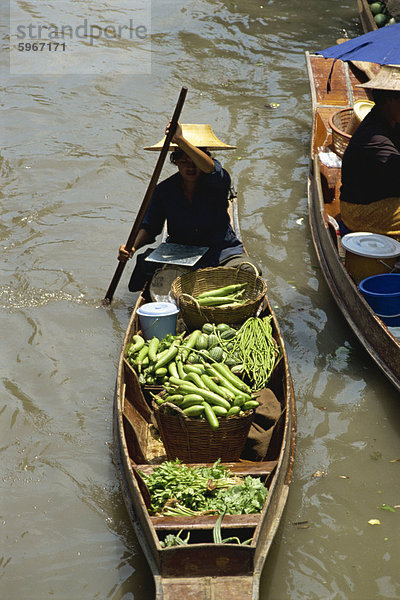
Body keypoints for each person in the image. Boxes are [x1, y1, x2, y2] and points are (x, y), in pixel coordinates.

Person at [118, 122, 260, 296]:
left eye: (195, 161)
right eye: (184, 161)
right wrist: (131, 247)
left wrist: (179, 140)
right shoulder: (164, 190)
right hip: (180, 255)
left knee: (249, 272)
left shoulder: (218, 181)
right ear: (176, 161)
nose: (190, 167)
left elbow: (211, 169)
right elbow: (150, 228)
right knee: (158, 281)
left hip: (221, 251)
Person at [340, 65, 400, 241]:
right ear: (390, 100)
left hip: (386, 196)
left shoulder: (391, 121)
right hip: (361, 210)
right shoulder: (374, 138)